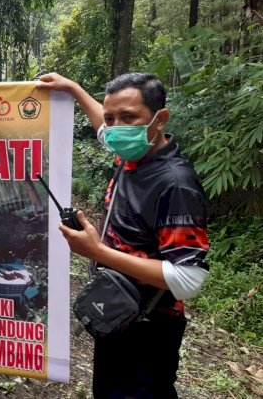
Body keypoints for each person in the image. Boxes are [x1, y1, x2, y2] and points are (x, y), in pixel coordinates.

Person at [38, 72, 210, 398]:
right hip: (117, 306)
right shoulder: (134, 153)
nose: (116, 129)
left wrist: (98, 253)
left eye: (128, 118)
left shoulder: (174, 184)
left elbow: (189, 278)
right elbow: (106, 131)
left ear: (160, 120)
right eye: (111, 118)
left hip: (149, 325)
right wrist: (74, 88)